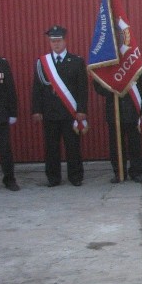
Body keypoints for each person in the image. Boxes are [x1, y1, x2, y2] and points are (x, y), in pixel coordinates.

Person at [31, 25, 88, 187]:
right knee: (51, 148)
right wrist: (36, 110)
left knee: (73, 146)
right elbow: (37, 88)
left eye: (58, 41)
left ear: (65, 41)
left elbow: (82, 89)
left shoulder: (76, 61)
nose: (56, 44)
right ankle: (53, 178)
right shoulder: (42, 63)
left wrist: (82, 110)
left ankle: (76, 176)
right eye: (52, 41)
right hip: (50, 112)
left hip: (70, 113)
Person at [94, 72, 142, 183]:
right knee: (115, 145)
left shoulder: (134, 61)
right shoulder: (108, 63)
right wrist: (111, 88)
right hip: (114, 111)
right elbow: (97, 85)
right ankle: (119, 172)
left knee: (135, 145)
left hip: (133, 111)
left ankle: (136, 172)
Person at [0, 52, 20, 191]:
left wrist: (13, 113)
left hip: (0, 115)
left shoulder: (1, 63)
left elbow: (10, 89)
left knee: (5, 150)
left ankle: (9, 179)